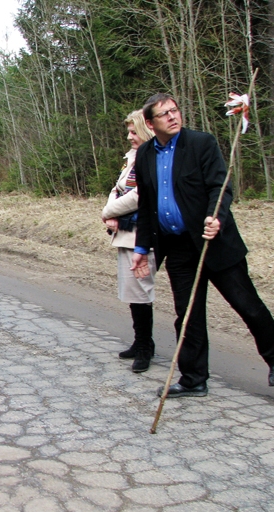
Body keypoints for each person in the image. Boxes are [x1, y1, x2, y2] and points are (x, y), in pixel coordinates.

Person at [131, 93, 274, 397]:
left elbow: (221, 185)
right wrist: (141, 249)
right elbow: (147, 204)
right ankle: (194, 378)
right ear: (150, 123)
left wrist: (215, 216)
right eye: (164, 114)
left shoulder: (201, 143)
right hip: (177, 248)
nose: (173, 117)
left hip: (213, 242)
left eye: (175, 110)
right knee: (187, 315)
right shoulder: (146, 154)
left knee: (247, 305)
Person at [102, 110, 157, 373]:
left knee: (140, 290)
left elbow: (139, 196)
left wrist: (109, 212)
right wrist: (110, 212)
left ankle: (146, 347)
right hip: (125, 231)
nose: (129, 136)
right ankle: (141, 341)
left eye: (134, 131)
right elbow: (118, 189)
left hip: (141, 232)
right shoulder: (132, 157)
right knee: (132, 292)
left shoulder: (153, 157)